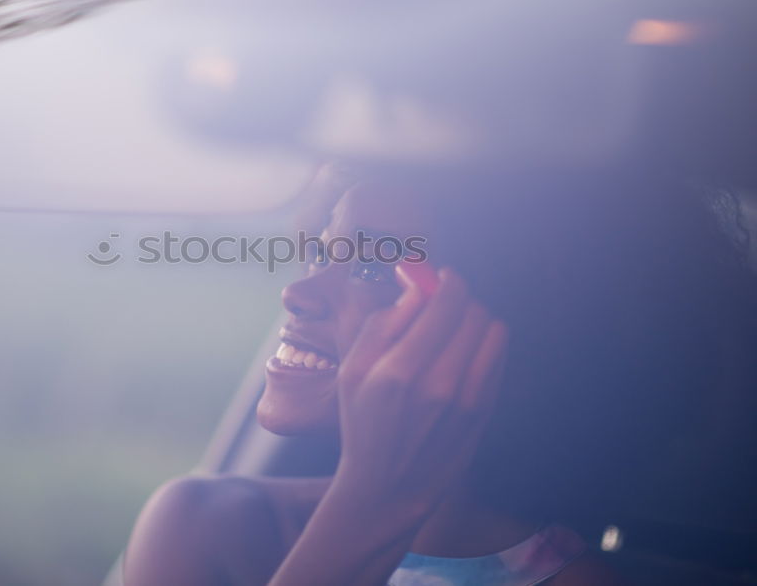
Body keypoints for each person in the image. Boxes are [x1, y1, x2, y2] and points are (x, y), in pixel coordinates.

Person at [122, 161, 756, 585]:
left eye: (375, 268)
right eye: (321, 249)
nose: (298, 292)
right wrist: (370, 501)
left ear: (528, 343)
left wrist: (378, 500)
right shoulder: (209, 524)